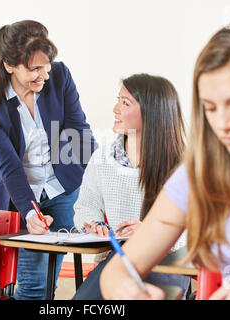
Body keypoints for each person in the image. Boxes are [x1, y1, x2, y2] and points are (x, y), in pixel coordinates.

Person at [100, 20, 230, 300]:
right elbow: (119, 270)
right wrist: (127, 291)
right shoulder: (200, 174)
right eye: (210, 108)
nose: (223, 123)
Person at [0, 20, 97, 300]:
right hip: (21, 198)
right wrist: (30, 212)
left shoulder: (60, 76)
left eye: (46, 66)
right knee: (33, 287)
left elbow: (78, 130)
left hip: (62, 189)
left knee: (49, 281)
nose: (44, 75)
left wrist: (97, 181)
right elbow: (8, 165)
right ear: (9, 65)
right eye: (35, 69)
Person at [72, 73, 190, 299]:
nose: (115, 109)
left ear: (151, 112)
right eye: (118, 99)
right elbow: (85, 207)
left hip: (168, 263)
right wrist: (94, 224)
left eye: (125, 103)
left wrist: (153, 233)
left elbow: (197, 228)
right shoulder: (102, 158)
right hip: (119, 259)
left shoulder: (184, 166)